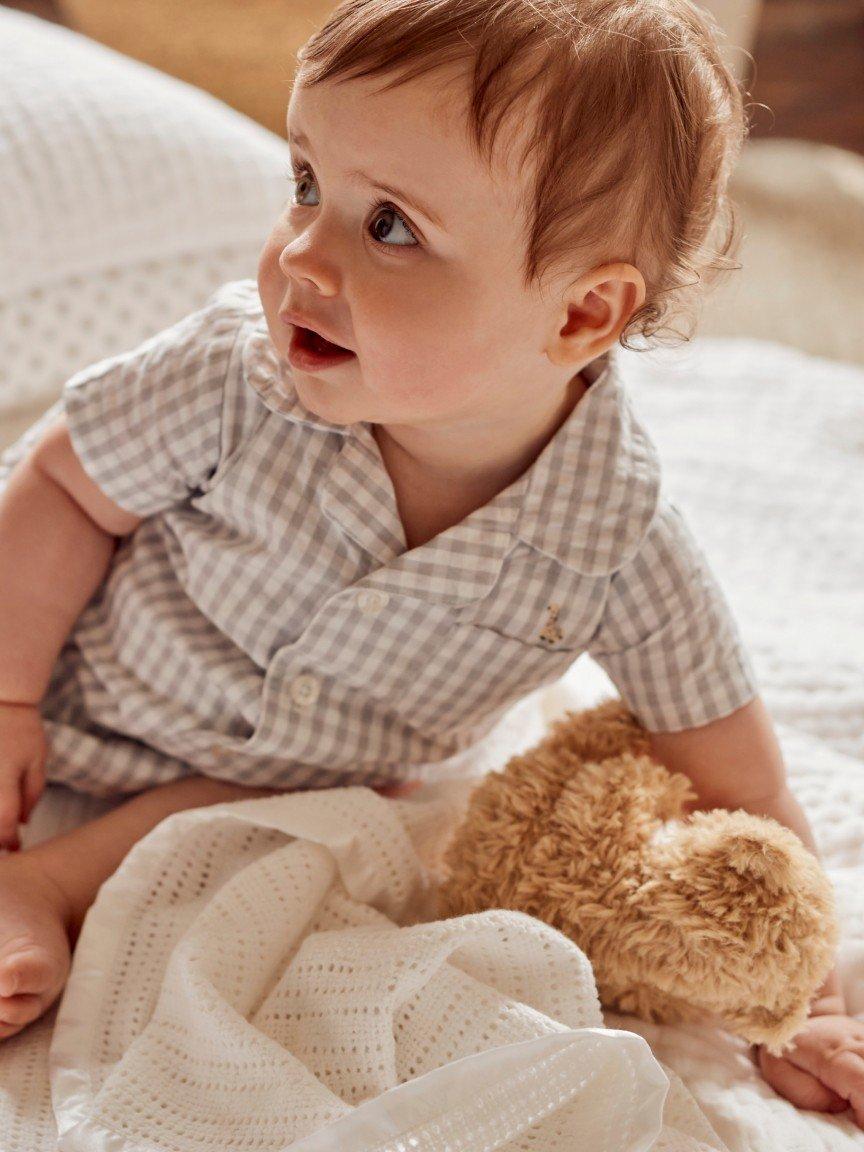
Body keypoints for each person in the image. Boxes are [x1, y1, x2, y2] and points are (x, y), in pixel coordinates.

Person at [0, 0, 861, 1125]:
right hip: (76, 671)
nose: (303, 254)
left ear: (581, 313)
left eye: (391, 227)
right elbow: (62, 483)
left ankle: (44, 891)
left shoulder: (611, 537)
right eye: (307, 182)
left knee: (314, 827)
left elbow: (738, 781)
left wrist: (808, 999)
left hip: (283, 786)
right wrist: (11, 690)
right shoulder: (232, 376)